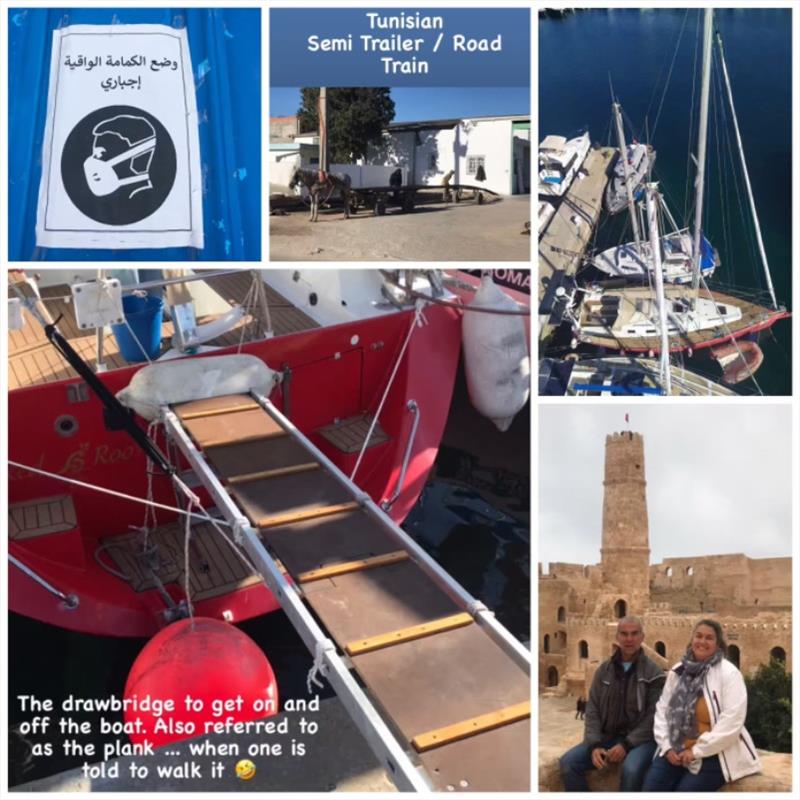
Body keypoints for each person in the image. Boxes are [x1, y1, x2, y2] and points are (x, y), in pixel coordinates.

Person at [642, 619, 761, 791]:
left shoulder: (729, 674)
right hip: (676, 748)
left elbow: (732, 722)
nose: (702, 642)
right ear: (692, 640)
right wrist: (667, 747)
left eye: (709, 638)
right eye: (698, 636)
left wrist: (696, 751)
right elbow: (662, 710)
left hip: (714, 754)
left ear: (718, 644)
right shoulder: (678, 671)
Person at [560, 617, 665, 792]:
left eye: (634, 634)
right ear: (617, 637)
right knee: (568, 763)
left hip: (641, 741)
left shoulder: (654, 674)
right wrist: (594, 744)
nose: (629, 639)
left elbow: (653, 717)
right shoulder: (604, 671)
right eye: (624, 634)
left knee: (631, 770)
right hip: (607, 737)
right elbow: (592, 709)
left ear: (642, 637)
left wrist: (626, 745)